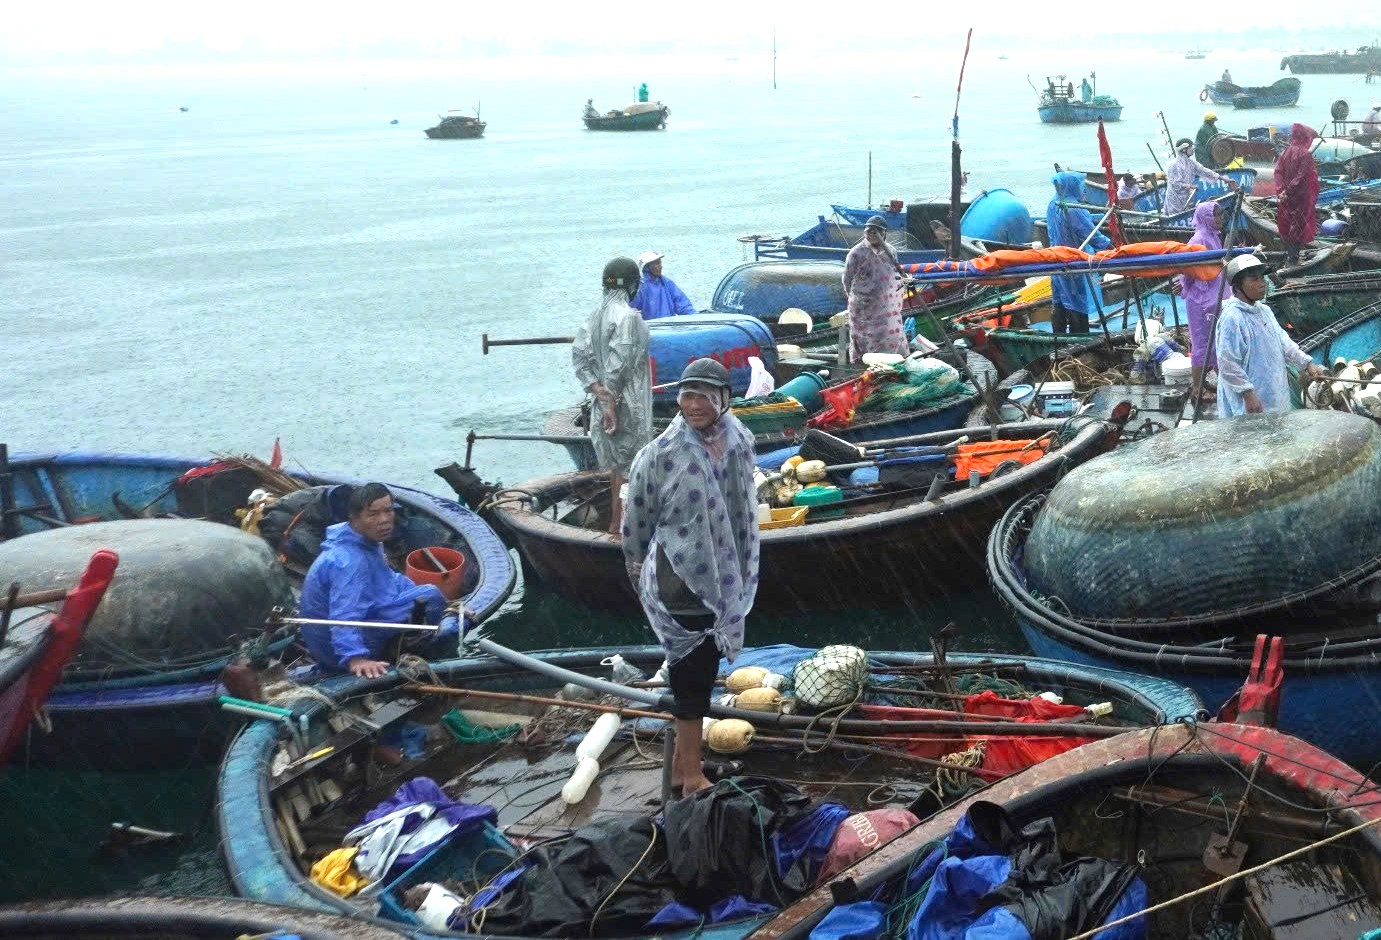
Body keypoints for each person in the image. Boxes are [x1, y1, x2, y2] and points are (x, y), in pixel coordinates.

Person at [621, 358, 759, 797]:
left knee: (707, 659)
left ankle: (685, 769)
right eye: (687, 395)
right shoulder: (661, 453)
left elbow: (742, 506)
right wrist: (633, 563)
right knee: (690, 669)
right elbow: (636, 518)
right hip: (680, 572)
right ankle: (690, 776)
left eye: (703, 395)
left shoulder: (739, 438)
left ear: (723, 398)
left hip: (726, 570)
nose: (693, 404)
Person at [300, 483, 466, 678]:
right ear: (354, 518)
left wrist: (448, 604)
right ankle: (443, 662)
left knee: (429, 594)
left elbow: (390, 580)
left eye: (388, 511)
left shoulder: (365, 542)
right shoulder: (348, 562)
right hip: (334, 649)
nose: (384, 520)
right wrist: (355, 658)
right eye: (373, 515)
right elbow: (344, 615)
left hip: (362, 619)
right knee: (430, 597)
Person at [572, 257, 652, 535]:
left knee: (616, 469)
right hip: (628, 406)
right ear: (632, 285)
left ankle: (615, 524)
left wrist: (598, 391)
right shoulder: (629, 317)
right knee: (633, 468)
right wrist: (611, 402)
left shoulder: (592, 317)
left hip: (603, 404)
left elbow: (580, 359)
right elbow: (621, 361)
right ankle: (627, 530)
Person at [1216, 255, 1323, 416]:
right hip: (1250, 399)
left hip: (1273, 392)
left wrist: (1306, 363)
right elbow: (1228, 363)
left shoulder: (1264, 310)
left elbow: (1283, 341)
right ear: (1237, 287)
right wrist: (1247, 393)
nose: (1262, 283)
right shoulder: (1232, 318)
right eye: (1254, 279)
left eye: (1262, 278)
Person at [1046, 172, 1111, 335]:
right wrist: (1112, 248)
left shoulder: (1053, 204)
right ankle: (1080, 337)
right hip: (1074, 260)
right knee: (1077, 301)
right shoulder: (1073, 208)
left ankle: (1058, 337)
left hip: (1055, 258)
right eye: (1081, 187)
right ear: (1073, 187)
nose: (1084, 191)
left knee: (1060, 300)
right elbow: (1093, 235)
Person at [842, 215, 908, 359]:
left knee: (888, 333)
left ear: (884, 234)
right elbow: (847, 279)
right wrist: (855, 298)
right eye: (869, 232)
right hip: (863, 304)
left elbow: (895, 273)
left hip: (885, 303)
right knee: (865, 337)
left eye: (876, 232)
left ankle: (891, 359)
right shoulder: (856, 253)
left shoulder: (890, 251)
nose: (872, 235)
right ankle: (864, 362)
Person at [1181, 202, 1226, 395]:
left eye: (1221, 214)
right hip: (1201, 299)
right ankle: (1198, 389)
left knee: (1217, 341)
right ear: (1206, 217)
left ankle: (1223, 382)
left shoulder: (1214, 237)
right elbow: (1188, 269)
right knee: (1201, 343)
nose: (1220, 219)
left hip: (1216, 296)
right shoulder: (1198, 239)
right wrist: (1185, 286)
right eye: (1216, 215)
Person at [1273, 123, 1320, 266]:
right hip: (1300, 197)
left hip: (1287, 197)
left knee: (1287, 224)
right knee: (1298, 227)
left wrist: (1281, 191)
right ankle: (1293, 258)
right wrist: (1288, 191)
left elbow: (1278, 172)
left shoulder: (1284, 152)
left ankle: (1291, 255)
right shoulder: (1306, 154)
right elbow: (1302, 175)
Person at [1165, 138, 1235, 216]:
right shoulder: (1173, 165)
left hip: (1186, 197)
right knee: (1174, 217)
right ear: (1184, 149)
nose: (1193, 149)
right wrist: (1190, 186)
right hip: (1174, 199)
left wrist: (1225, 179)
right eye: (1190, 147)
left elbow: (1205, 171)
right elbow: (1175, 184)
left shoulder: (1191, 163)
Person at [629, 251, 696, 320]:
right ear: (647, 267)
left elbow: (683, 305)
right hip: (648, 327)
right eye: (657, 264)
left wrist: (694, 318)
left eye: (660, 263)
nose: (660, 266)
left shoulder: (667, 283)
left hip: (668, 326)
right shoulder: (639, 286)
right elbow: (630, 310)